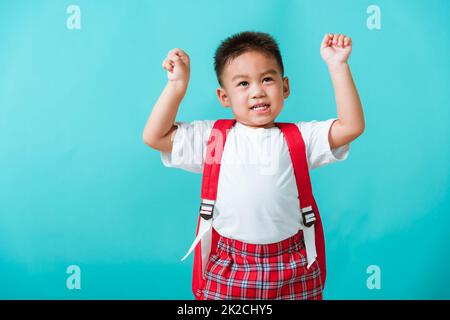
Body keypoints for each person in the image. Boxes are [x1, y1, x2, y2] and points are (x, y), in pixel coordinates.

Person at [142, 31, 365, 300]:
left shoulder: (299, 138)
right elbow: (155, 136)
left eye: (267, 79)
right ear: (224, 97)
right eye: (243, 84)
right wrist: (176, 86)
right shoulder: (212, 139)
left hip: (292, 264)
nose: (258, 91)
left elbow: (351, 126)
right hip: (230, 265)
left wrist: (338, 66)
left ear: (285, 87)